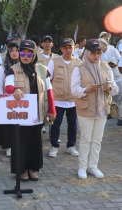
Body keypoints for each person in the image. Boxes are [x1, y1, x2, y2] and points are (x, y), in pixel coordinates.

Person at [4, 40, 56, 181]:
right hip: (20, 114)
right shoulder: (13, 69)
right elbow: (7, 86)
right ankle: (21, 170)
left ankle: (33, 168)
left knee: (35, 142)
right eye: (22, 52)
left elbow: (49, 91)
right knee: (20, 143)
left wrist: (52, 109)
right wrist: (15, 89)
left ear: (34, 54)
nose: (25, 55)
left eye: (29, 53)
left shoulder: (42, 70)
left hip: (37, 113)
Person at [71, 39, 118, 179]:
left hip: (102, 108)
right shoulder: (79, 68)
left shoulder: (105, 67)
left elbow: (115, 89)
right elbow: (74, 90)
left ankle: (93, 166)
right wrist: (87, 89)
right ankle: (82, 167)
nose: (96, 56)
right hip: (86, 109)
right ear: (86, 53)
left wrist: (109, 87)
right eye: (93, 53)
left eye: (99, 53)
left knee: (97, 139)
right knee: (86, 139)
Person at [48, 38, 82, 158]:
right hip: (58, 100)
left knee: (73, 125)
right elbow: (48, 80)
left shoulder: (79, 63)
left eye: (70, 47)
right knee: (55, 124)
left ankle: (71, 146)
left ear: (74, 48)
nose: (68, 50)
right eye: (65, 48)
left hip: (73, 101)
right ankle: (54, 146)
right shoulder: (54, 62)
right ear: (61, 48)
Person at [0, 38, 20, 157]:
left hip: (22, 100)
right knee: (9, 125)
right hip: (7, 99)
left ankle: (19, 145)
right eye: (12, 51)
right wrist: (0, 100)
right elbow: (0, 84)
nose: (15, 53)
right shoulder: (3, 67)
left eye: (17, 50)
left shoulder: (24, 65)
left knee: (20, 123)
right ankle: (9, 146)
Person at [99, 38, 122, 125]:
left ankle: (119, 114)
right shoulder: (99, 53)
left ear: (105, 44)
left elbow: (120, 59)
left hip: (117, 75)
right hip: (106, 77)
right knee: (109, 96)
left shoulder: (113, 50)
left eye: (101, 45)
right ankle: (112, 112)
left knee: (120, 96)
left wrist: (116, 64)